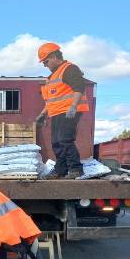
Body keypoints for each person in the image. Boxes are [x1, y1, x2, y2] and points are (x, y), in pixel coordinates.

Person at [35, 42, 90, 179]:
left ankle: (76, 169)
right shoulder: (53, 77)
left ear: (54, 56)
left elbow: (79, 87)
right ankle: (61, 170)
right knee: (56, 142)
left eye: (45, 61)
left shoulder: (69, 69)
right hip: (57, 113)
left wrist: (73, 106)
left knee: (65, 140)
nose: (45, 65)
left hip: (68, 111)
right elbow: (51, 101)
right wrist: (42, 115)